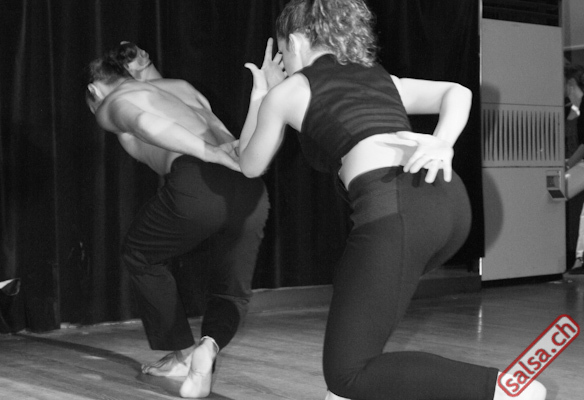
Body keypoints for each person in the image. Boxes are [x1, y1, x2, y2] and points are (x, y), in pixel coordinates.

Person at [234, 1, 547, 399]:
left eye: (284, 52)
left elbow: (249, 164)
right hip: (449, 204)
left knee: (346, 373)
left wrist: (262, 93)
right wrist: (442, 142)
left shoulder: (287, 92)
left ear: (294, 42)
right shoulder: (380, 78)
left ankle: (505, 390)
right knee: (356, 334)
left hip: (396, 213)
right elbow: (457, 92)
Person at [85, 52, 269, 398]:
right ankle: (208, 347)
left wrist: (208, 153)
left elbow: (144, 123)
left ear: (95, 90)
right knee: (229, 290)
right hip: (250, 186)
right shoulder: (181, 89)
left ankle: (182, 355)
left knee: (139, 254)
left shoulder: (112, 101)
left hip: (199, 178)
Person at [564, 62, 584, 275]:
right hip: (575, 166)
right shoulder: (571, 109)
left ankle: (576, 257)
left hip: (577, 166)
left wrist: (567, 164)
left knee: (558, 193)